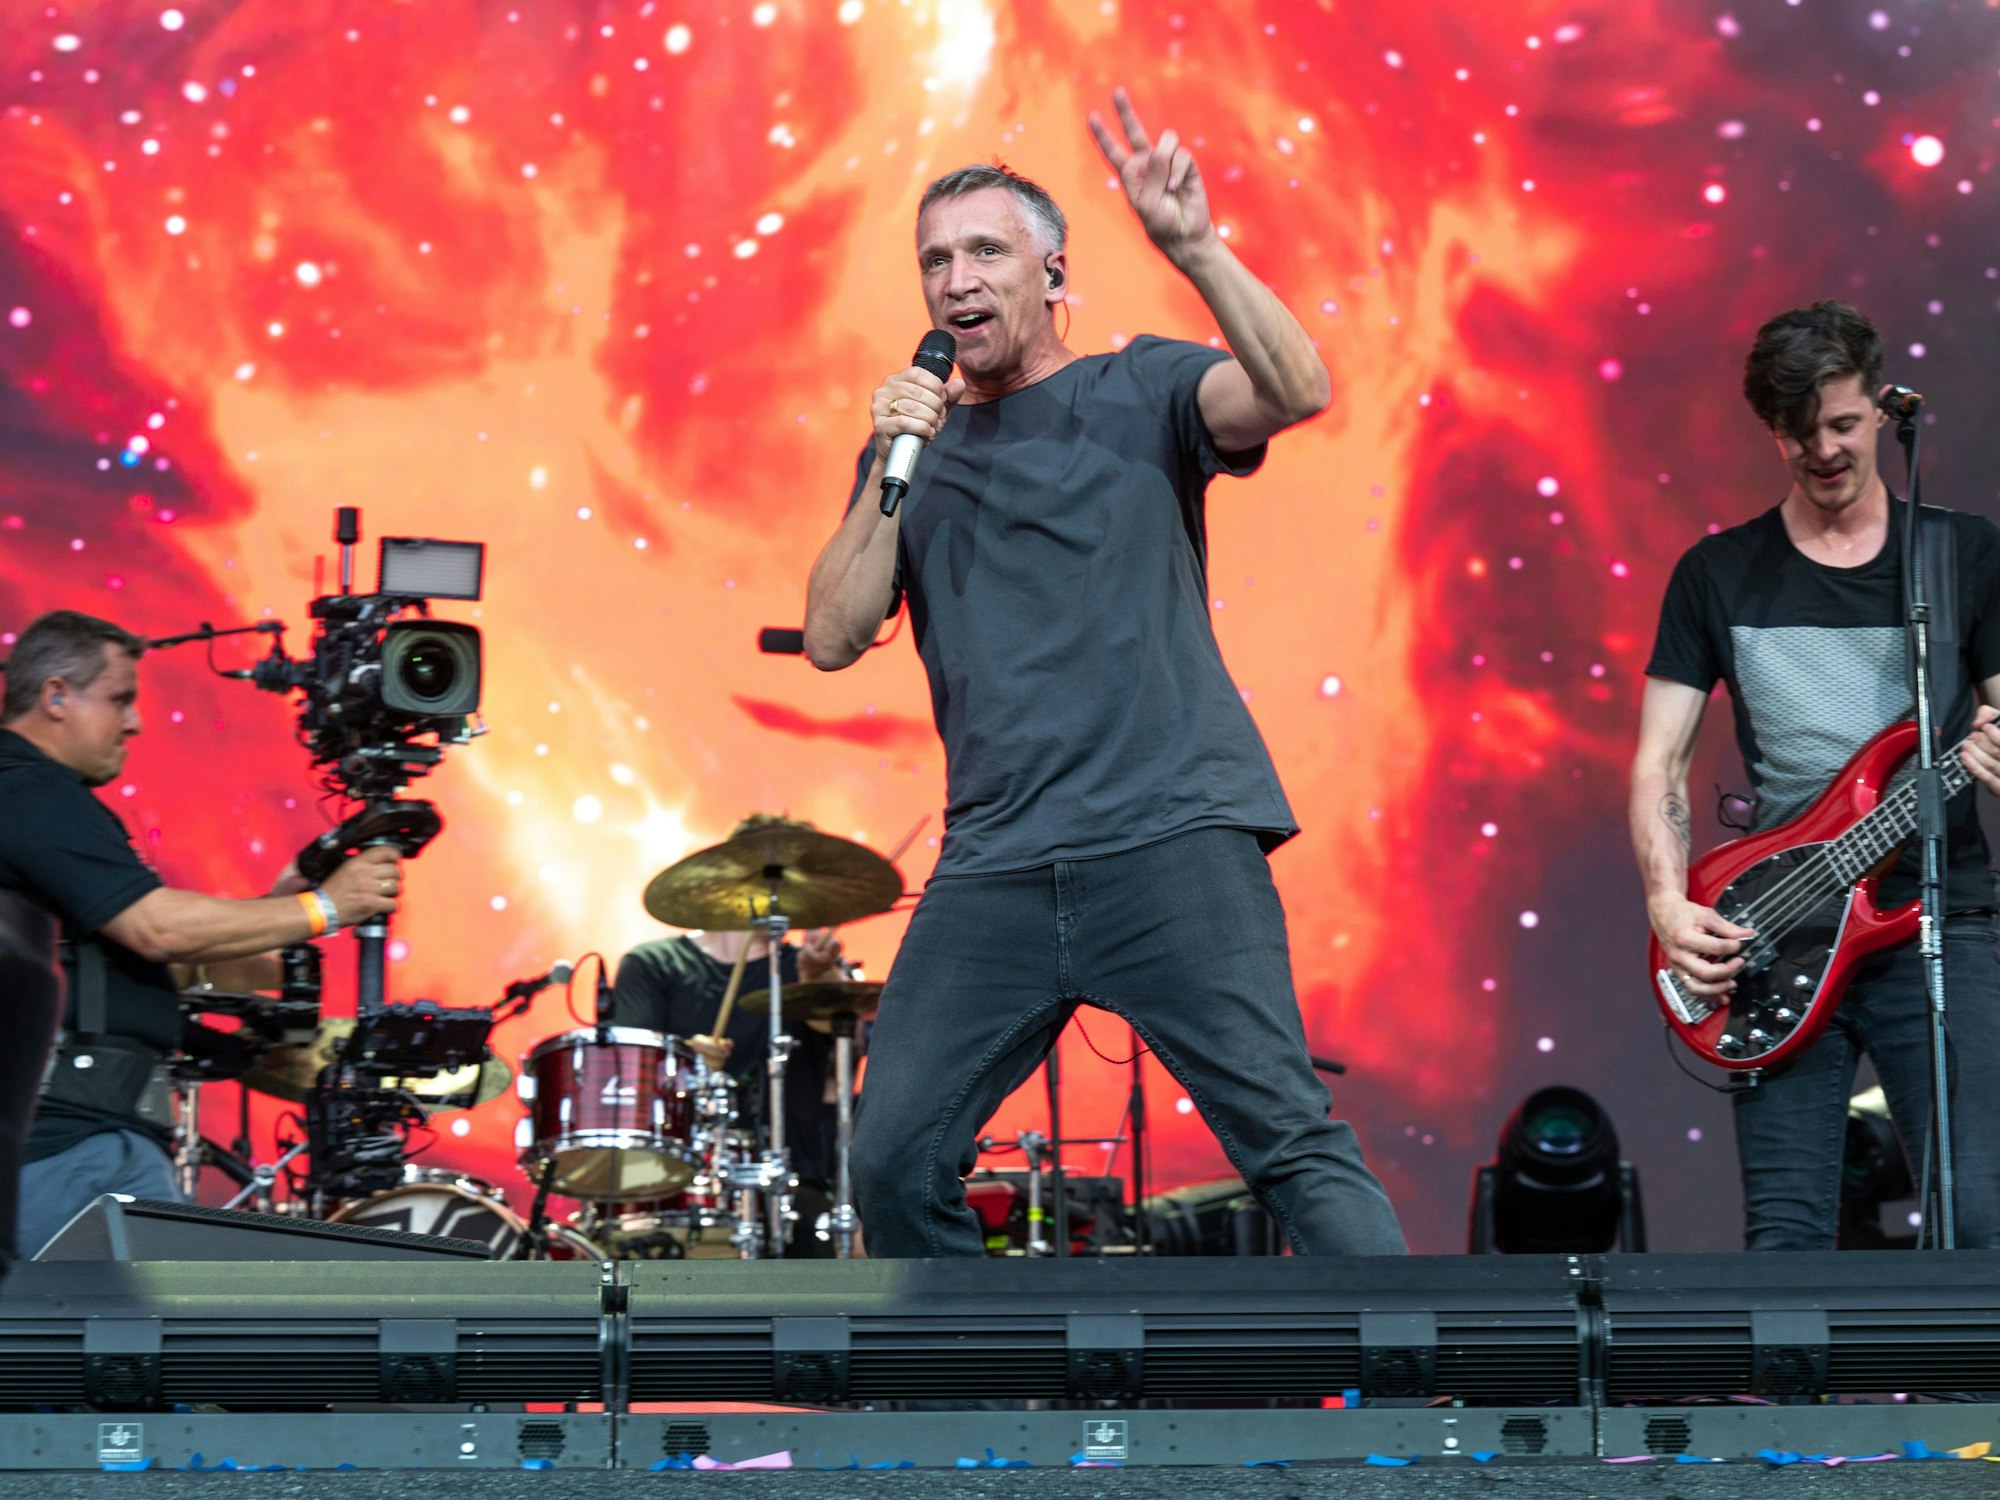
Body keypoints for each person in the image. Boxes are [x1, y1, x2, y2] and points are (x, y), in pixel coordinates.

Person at [802, 90, 1406, 1258]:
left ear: (1052, 274)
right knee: (890, 1162)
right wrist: (887, 454)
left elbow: (1294, 390)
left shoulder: (1139, 389)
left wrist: (1196, 248)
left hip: (1169, 837)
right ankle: (991, 1372)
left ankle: (1417, 1366)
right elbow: (831, 636)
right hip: (996, 864)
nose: (956, 279)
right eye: (934, 260)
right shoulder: (911, 452)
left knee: (1287, 1141)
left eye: (986, 251)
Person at [1631, 300, 2000, 1250]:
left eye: (1842, 424)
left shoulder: (1960, 555)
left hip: (1936, 914)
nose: (1826, 451)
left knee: (1978, 1217)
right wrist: (1669, 906)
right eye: (1801, 433)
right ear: (1772, 429)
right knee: (1786, 1237)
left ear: (1881, 406)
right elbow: (1660, 762)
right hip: (1778, 925)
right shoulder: (1716, 573)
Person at [0, 610, 404, 1259]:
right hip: (71, 1150)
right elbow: (157, 928)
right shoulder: (29, 790)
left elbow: (147, 957)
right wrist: (326, 908)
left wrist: (275, 910)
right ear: (55, 696)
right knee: (111, 1324)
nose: (134, 722)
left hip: (84, 1143)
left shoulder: (36, 798)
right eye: (119, 700)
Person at [611, 814, 848, 1256]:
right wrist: (684, 1065)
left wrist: (820, 982)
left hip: (794, 1184)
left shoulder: (807, 968)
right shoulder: (653, 965)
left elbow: (843, 1060)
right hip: (673, 1180)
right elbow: (629, 1081)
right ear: (728, 877)